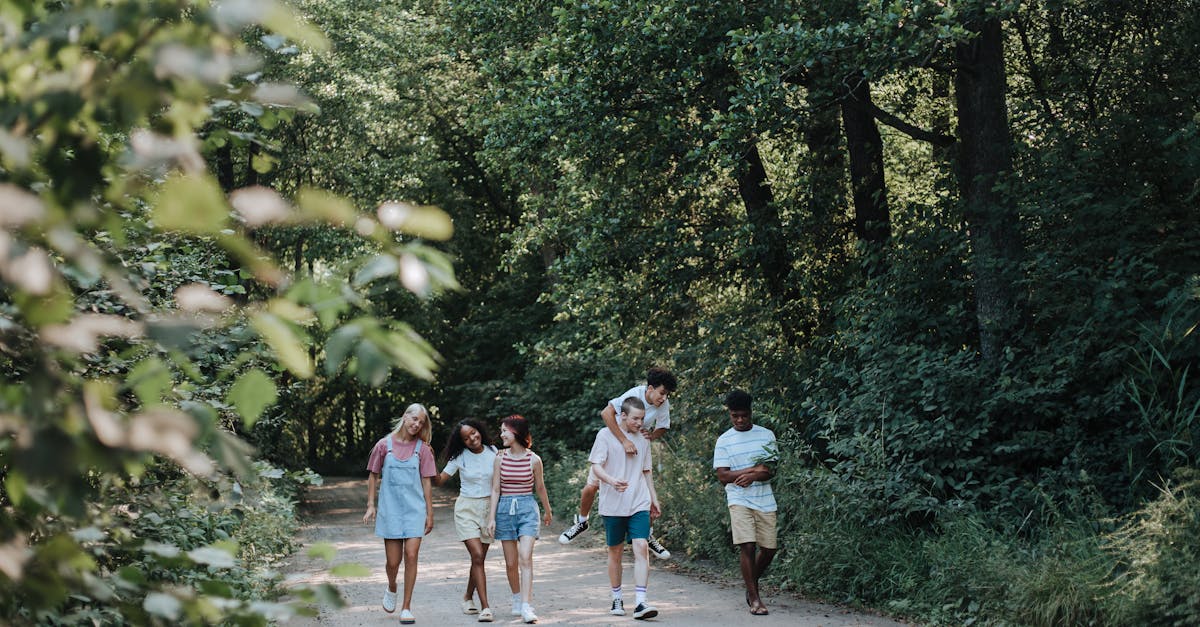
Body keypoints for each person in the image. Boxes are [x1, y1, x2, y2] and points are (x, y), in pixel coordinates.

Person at [559, 367, 677, 560]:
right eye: (662, 393)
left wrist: (650, 436)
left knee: (643, 491)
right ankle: (582, 522)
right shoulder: (633, 394)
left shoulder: (663, 404)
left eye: (667, 395)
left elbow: (663, 427)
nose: (664, 398)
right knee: (591, 487)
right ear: (650, 388)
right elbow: (606, 413)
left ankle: (647, 534)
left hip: (636, 449)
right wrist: (624, 440)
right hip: (615, 443)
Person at [363, 403, 437, 625]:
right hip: (390, 510)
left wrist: (430, 513)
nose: (417, 424)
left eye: (421, 422)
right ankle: (392, 585)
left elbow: (427, 482)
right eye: (414, 419)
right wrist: (370, 504)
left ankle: (406, 607)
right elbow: (373, 475)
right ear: (405, 417)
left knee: (412, 556)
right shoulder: (383, 446)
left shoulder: (423, 450)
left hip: (415, 511)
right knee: (393, 563)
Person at [589, 396, 661, 620]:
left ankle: (641, 602)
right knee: (616, 552)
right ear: (622, 416)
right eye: (635, 419)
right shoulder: (605, 435)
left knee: (641, 546)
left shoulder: (644, 439)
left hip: (638, 500)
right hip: (612, 504)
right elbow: (596, 466)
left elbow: (646, 471)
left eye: (642, 419)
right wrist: (610, 481)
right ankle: (617, 597)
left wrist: (653, 498)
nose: (640, 423)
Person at [713, 389, 778, 616]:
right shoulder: (724, 440)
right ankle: (755, 598)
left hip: (764, 499)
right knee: (748, 546)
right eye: (735, 416)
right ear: (729, 415)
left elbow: (770, 470)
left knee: (769, 550)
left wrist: (752, 476)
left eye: (744, 415)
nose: (740, 420)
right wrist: (753, 470)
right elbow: (723, 476)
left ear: (751, 413)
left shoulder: (766, 435)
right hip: (738, 498)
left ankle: (750, 582)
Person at [486, 415, 553, 624]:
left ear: (515, 432)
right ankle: (516, 597)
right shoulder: (500, 458)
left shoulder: (534, 459)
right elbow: (496, 489)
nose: (501, 434)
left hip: (527, 509)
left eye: (504, 430)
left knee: (525, 557)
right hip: (505, 509)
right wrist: (491, 518)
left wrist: (548, 511)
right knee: (511, 562)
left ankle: (526, 605)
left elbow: (540, 488)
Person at [432, 419, 498, 623]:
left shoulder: (494, 451)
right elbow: (440, 480)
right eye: (466, 437)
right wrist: (429, 460)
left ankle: (468, 597)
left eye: (474, 433)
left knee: (479, 559)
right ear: (462, 442)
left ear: (479, 431)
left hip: (488, 509)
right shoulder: (459, 457)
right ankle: (485, 607)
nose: (472, 438)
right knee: (477, 555)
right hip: (466, 509)